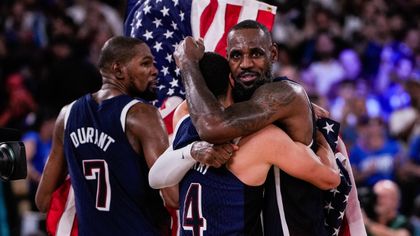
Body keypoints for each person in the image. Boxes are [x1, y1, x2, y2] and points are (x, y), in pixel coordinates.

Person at [174, 20, 356, 235]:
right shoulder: (244, 102)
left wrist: (188, 63)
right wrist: (190, 151)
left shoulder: (284, 94)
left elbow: (211, 126)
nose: (246, 64)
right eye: (236, 56)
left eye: (256, 54)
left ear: (274, 53)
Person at [149, 52, 340, 235]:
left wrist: (191, 152)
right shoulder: (263, 138)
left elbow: (168, 193)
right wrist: (318, 133)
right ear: (231, 81)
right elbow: (330, 179)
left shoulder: (182, 119)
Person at [35, 36, 177, 235]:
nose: (155, 70)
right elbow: (173, 197)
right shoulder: (142, 115)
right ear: (118, 70)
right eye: (145, 63)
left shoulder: (66, 115)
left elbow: (43, 200)